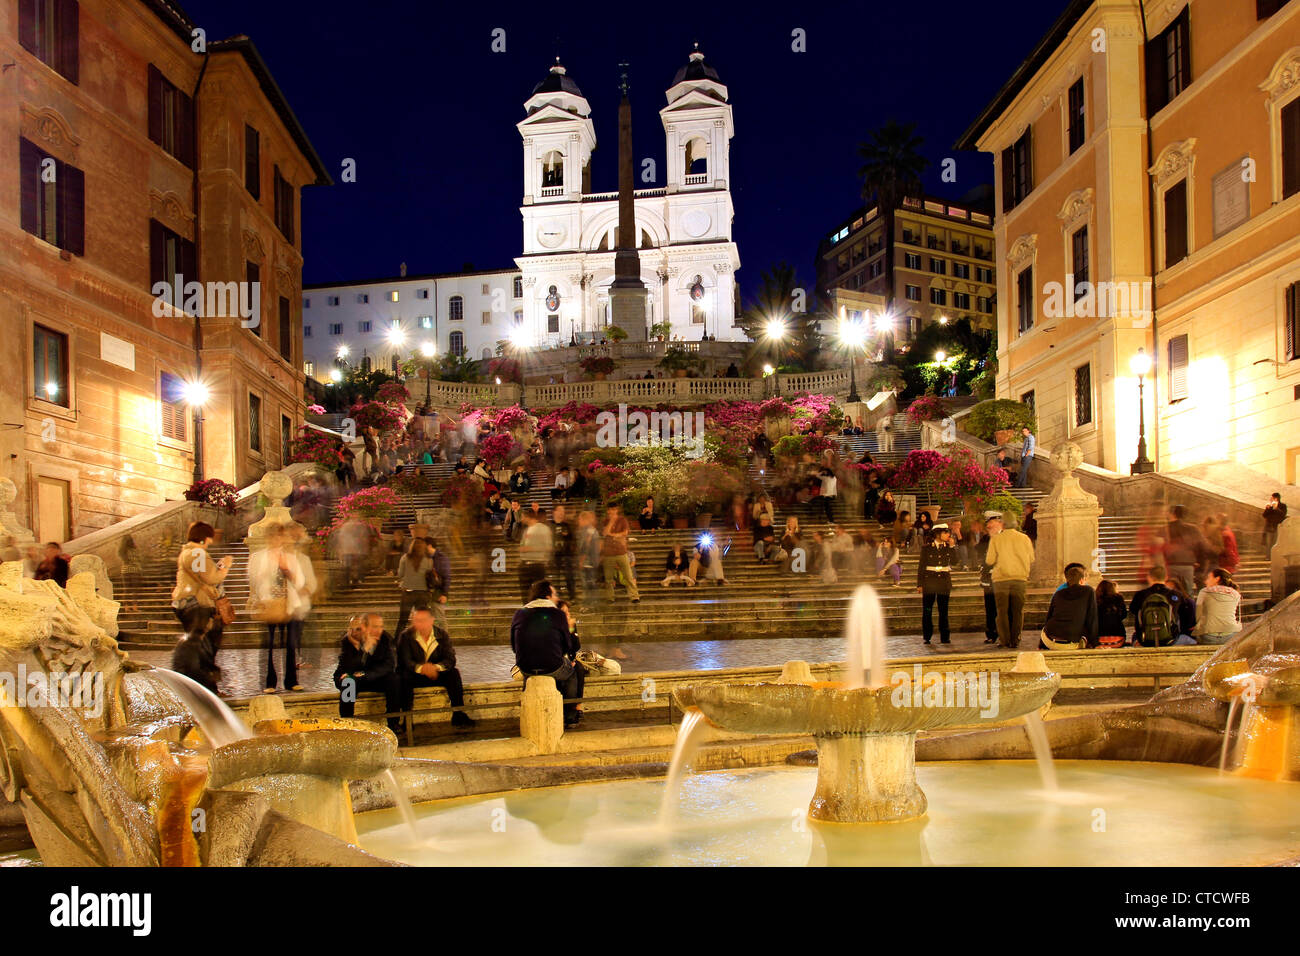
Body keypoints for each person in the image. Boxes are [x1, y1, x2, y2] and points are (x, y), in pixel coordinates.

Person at [511, 580, 584, 728]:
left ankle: (527, 711)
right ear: (547, 596)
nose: (557, 598)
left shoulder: (519, 613)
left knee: (529, 673)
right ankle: (570, 716)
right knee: (571, 672)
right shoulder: (557, 614)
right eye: (555, 594)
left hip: (525, 666)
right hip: (552, 666)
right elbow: (567, 646)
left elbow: (514, 645)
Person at [248, 524, 306, 693]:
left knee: (290, 644)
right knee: (270, 645)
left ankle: (291, 681)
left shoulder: (291, 557)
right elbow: (253, 579)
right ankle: (269, 682)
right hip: (269, 604)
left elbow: (300, 581)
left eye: (279, 536)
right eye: (272, 536)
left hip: (289, 604)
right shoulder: (258, 557)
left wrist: (286, 569)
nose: (275, 540)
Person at [397, 607, 475, 727]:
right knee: (403, 676)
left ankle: (458, 713)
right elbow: (405, 660)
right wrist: (422, 668)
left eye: (423, 620)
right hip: (415, 674)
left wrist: (436, 668)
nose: (420, 624)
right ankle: (407, 718)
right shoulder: (405, 636)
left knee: (453, 674)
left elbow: (450, 658)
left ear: (431, 620)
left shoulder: (442, 635)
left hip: (436, 673)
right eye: (416, 620)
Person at [334, 613, 403, 733]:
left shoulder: (385, 638)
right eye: (375, 627)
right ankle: (347, 722)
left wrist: (364, 675)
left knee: (394, 680)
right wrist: (361, 650)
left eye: (379, 627)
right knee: (348, 683)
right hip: (353, 678)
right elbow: (346, 668)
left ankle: (393, 722)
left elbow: (389, 665)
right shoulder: (348, 641)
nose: (378, 630)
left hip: (374, 677)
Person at [171, 521, 232, 654]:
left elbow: (200, 573)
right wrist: (226, 566)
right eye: (210, 537)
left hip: (186, 602)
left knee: (195, 642)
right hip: (196, 604)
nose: (211, 541)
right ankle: (194, 670)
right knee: (199, 645)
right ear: (204, 537)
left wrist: (216, 567)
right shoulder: (197, 553)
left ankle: (194, 669)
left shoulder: (188, 552)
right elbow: (211, 578)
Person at [985, 514, 1034, 649]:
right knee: (1018, 611)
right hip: (1020, 578)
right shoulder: (1025, 539)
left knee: (1002, 611)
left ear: (1003, 524)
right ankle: (1015, 638)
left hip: (1001, 579)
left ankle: (1004, 639)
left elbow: (990, 560)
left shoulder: (996, 539)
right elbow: (1031, 558)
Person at [1129, 566, 1194, 647]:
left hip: (1145, 639)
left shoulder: (1140, 595)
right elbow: (1185, 615)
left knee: (1134, 637)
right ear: (1166, 577)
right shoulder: (1176, 595)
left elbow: (1133, 611)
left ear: (1149, 577)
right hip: (1171, 639)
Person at [1040, 565, 1098, 650]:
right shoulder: (1088, 591)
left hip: (1048, 639)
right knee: (1083, 639)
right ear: (1082, 580)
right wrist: (1095, 643)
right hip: (1069, 644)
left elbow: (1049, 617)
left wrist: (1041, 644)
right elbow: (1092, 618)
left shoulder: (1058, 593)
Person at [917, 524, 957, 645]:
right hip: (930, 581)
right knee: (927, 610)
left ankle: (945, 636)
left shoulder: (947, 547)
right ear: (937, 534)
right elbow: (921, 566)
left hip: (943, 581)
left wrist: (952, 547)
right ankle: (927, 636)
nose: (948, 535)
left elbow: (955, 561)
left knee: (943, 610)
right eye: (945, 532)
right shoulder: (927, 548)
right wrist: (920, 584)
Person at [171, 615, 222, 695]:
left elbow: (204, 661)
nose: (213, 622)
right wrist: (210, 681)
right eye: (210, 620)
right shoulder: (191, 643)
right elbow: (194, 670)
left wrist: (215, 670)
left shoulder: (198, 639)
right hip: (186, 683)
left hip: (188, 678)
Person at [599, 505, 640, 604]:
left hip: (621, 552)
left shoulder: (622, 520)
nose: (611, 511)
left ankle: (634, 596)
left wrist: (613, 535)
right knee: (608, 578)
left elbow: (625, 533)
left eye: (613, 509)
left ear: (617, 510)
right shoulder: (605, 521)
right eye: (610, 509)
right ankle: (610, 597)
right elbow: (604, 533)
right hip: (608, 553)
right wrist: (611, 522)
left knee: (628, 575)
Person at [394, 539, 433, 640]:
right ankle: (421, 640)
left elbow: (400, 574)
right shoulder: (429, 560)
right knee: (421, 619)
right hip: (423, 593)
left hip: (408, 592)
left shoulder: (405, 558)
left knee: (403, 619)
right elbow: (430, 576)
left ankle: (397, 641)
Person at [1165, 505, 1207, 597]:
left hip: (1170, 564)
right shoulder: (1192, 528)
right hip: (1187, 565)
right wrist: (1200, 562)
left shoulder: (1165, 529)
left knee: (1170, 592)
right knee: (1188, 592)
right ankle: (1189, 609)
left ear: (1172, 514)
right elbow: (1202, 546)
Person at [1192, 568, 1241, 645]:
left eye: (1208, 578)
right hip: (1231, 635)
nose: (1206, 581)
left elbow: (1198, 616)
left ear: (1217, 579)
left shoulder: (1204, 591)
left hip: (1208, 636)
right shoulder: (1235, 593)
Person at [518, 510, 553, 605]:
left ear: (527, 517)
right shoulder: (527, 529)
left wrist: (531, 548)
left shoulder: (543, 529)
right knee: (526, 593)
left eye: (522, 517)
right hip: (525, 564)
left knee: (538, 592)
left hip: (537, 564)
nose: (521, 519)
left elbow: (548, 547)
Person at [974, 518, 998, 644]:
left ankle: (1002, 633)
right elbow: (979, 550)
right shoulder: (986, 539)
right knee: (989, 607)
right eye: (988, 526)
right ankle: (991, 633)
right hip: (988, 577)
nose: (988, 527)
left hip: (1000, 576)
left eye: (991, 525)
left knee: (1002, 608)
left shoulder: (1003, 539)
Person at [550, 504, 577, 601]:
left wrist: (567, 538)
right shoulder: (550, 525)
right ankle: (556, 597)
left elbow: (573, 540)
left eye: (563, 511)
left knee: (569, 576)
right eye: (560, 510)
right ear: (554, 512)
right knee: (556, 577)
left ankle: (572, 596)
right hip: (554, 555)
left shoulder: (567, 525)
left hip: (566, 554)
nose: (562, 513)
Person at [1095, 579, 1129, 648]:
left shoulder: (1095, 599)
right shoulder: (1118, 598)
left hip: (1099, 639)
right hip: (1119, 638)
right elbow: (1124, 615)